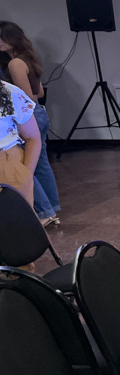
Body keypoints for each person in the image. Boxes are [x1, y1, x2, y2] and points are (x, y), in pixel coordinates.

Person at [0, 21, 59, 224]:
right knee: (40, 164)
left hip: (27, 116)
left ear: (12, 38)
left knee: (27, 168)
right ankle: (50, 210)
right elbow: (39, 92)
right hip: (38, 112)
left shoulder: (14, 64)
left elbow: (25, 97)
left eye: (2, 37)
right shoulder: (28, 58)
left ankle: (44, 212)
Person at [0, 80, 41, 208]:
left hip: (7, 165)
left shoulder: (8, 91)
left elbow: (32, 138)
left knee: (14, 217)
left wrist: (26, 176)